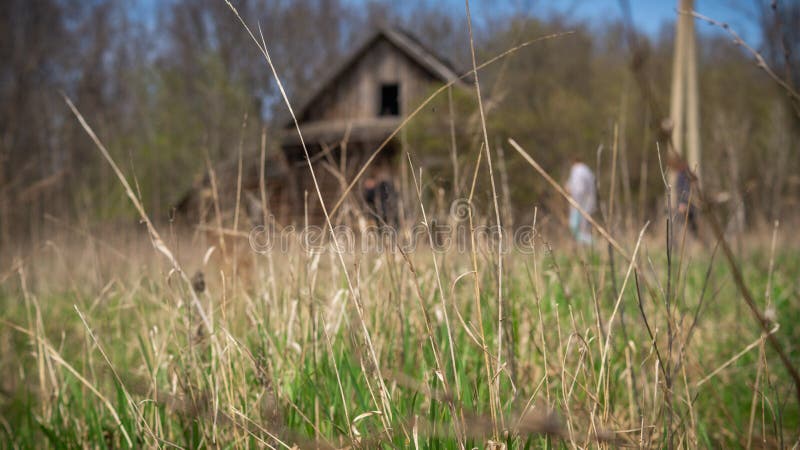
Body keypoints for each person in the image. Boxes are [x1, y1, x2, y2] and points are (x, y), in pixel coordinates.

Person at [565, 157, 597, 245]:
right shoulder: (587, 170)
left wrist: (569, 191)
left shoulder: (577, 169)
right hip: (587, 202)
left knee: (575, 227)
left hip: (579, 203)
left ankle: (590, 244)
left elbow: (578, 188)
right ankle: (589, 245)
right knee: (584, 227)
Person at [668, 154, 698, 238]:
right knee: (690, 228)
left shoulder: (683, 174)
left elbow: (686, 189)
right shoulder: (685, 172)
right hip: (687, 205)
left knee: (689, 228)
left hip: (687, 206)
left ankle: (696, 243)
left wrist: (683, 203)